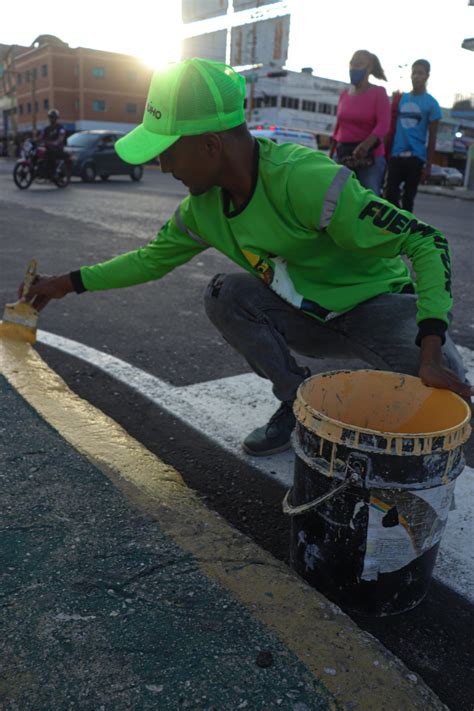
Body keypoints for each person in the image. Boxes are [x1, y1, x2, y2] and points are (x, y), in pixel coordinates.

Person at [22, 58, 472, 457]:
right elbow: (149, 259)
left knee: (457, 412)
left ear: (211, 146)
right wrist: (65, 282)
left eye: (169, 153)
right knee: (226, 292)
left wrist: (429, 345)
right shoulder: (202, 209)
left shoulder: (307, 180)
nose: (163, 168)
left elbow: (426, 241)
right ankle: (297, 404)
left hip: (377, 307)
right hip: (308, 315)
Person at [330, 50, 390, 195]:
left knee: (368, 201)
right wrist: (331, 152)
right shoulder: (344, 95)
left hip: (369, 159)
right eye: (352, 63)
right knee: (335, 196)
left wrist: (365, 146)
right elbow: (339, 127)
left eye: (359, 64)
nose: (354, 67)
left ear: (369, 68)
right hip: (343, 156)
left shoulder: (379, 93)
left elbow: (384, 125)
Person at [385, 59, 441, 212]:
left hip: (416, 158)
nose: (416, 76)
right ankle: (393, 227)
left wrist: (428, 166)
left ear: (427, 76)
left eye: (420, 73)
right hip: (396, 155)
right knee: (389, 195)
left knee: (408, 200)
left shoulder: (432, 104)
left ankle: (406, 232)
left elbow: (433, 137)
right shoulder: (400, 99)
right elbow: (390, 127)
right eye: (414, 72)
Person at [40, 108, 67, 177]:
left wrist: (55, 142)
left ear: (56, 118)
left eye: (53, 117)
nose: (51, 119)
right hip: (47, 146)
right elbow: (41, 137)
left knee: (51, 152)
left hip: (57, 148)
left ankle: (54, 172)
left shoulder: (60, 128)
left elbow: (61, 138)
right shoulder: (46, 128)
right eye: (50, 117)